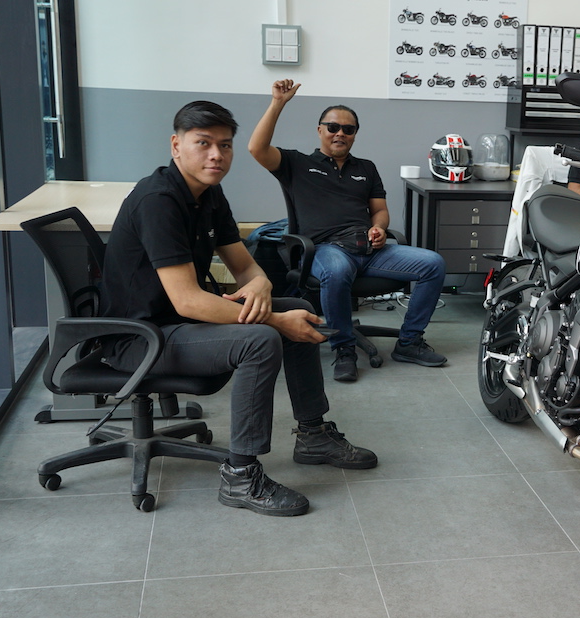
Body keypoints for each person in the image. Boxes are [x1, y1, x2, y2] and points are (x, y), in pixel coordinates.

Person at [100, 100, 377, 518]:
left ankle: (313, 435)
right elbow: (187, 299)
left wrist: (262, 285)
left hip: (176, 323)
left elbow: (245, 266)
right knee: (261, 339)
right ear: (176, 146)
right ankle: (241, 476)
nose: (217, 155)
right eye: (203, 143)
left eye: (225, 145)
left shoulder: (209, 194)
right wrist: (273, 319)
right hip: (141, 337)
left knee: (297, 306)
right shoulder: (159, 200)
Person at [248, 79, 447, 383]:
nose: (340, 133)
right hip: (324, 249)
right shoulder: (297, 164)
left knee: (433, 263)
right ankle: (344, 349)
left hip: (369, 249)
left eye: (348, 129)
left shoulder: (366, 168)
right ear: (320, 130)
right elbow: (256, 148)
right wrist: (278, 103)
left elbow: (379, 211)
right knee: (338, 270)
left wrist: (379, 228)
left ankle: (409, 342)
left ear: (354, 135)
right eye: (333, 127)